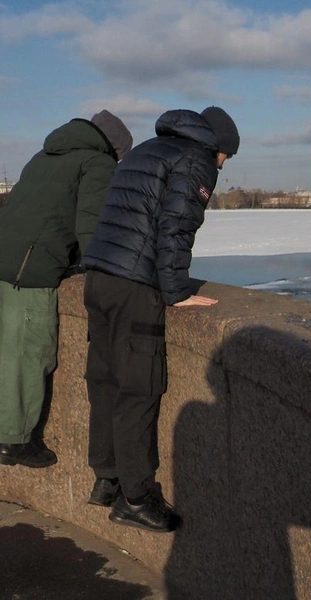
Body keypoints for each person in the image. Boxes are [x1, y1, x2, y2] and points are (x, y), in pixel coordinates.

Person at [81, 106, 239, 533]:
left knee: (106, 380)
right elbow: (176, 227)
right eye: (227, 157)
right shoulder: (196, 160)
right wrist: (177, 292)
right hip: (135, 287)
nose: (223, 165)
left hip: (99, 279)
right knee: (139, 389)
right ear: (218, 145)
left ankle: (107, 479)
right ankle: (136, 498)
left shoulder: (148, 150)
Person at [0, 111, 133, 468]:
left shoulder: (44, 155)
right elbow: (92, 223)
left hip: (5, 261)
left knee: (7, 351)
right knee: (30, 355)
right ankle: (13, 441)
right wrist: (100, 269)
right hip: (31, 270)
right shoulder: (97, 163)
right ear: (114, 148)